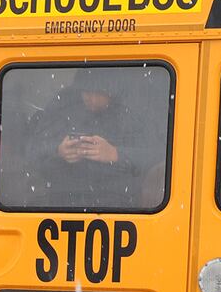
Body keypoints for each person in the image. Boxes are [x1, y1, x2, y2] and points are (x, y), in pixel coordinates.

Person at [12, 67, 160, 210]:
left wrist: (116, 154)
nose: (92, 98)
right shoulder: (61, 107)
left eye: (99, 92)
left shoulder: (132, 112)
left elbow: (159, 159)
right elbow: (29, 152)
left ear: (112, 92)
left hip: (121, 206)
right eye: (87, 92)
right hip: (62, 203)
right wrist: (58, 150)